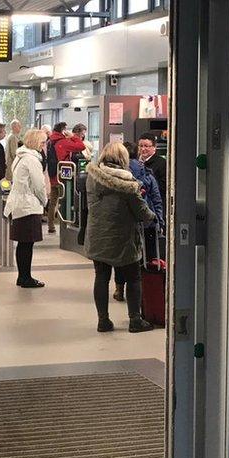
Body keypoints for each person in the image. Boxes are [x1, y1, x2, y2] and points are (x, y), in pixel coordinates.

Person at [85, 142, 156, 333]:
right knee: (133, 278)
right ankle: (135, 320)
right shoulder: (127, 184)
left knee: (101, 277)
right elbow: (142, 212)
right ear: (122, 159)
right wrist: (153, 218)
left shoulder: (92, 177)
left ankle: (103, 321)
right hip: (123, 239)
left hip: (98, 236)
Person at [113, 141, 166, 302]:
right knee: (148, 256)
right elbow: (157, 198)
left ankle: (120, 288)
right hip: (147, 221)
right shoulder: (147, 173)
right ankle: (145, 289)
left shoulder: (116, 175)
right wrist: (159, 220)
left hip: (125, 224)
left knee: (122, 259)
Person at [4, 129, 49, 288]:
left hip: (19, 204)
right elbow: (39, 185)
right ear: (36, 142)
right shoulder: (32, 160)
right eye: (43, 142)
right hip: (28, 206)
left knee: (23, 243)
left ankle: (22, 276)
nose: (44, 146)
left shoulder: (20, 156)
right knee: (26, 244)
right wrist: (45, 201)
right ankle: (25, 277)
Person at [46, 122, 86, 234]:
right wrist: (73, 137)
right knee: (66, 199)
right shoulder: (63, 142)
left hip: (53, 174)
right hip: (64, 177)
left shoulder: (50, 142)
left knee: (53, 201)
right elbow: (81, 146)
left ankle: (51, 225)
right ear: (63, 130)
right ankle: (65, 225)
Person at [137, 133, 167, 211]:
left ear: (154, 147)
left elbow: (163, 187)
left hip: (153, 206)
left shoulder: (161, 163)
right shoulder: (135, 162)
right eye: (141, 146)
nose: (143, 149)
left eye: (146, 146)